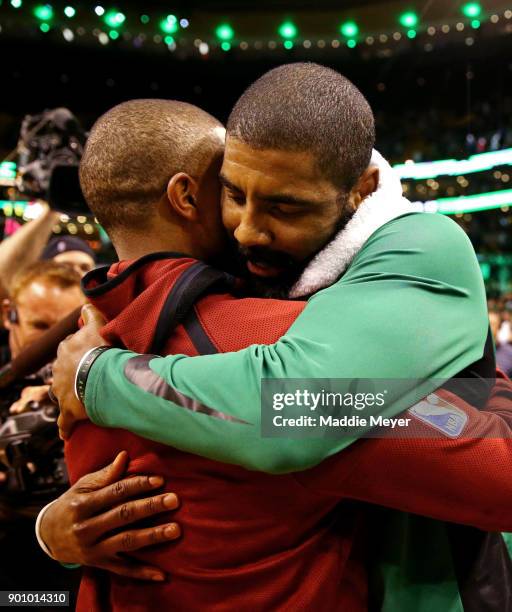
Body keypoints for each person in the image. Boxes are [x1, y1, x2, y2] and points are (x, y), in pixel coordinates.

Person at [49, 67, 511, 609]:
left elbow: (302, 405)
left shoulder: (417, 246)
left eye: (284, 206)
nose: (248, 229)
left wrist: (95, 375)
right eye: (234, 193)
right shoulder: (222, 319)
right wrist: (55, 530)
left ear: (363, 188)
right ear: (192, 192)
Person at [0, 260, 85, 599]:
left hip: (70, 584)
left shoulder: (96, 387)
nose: (54, 346)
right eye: (41, 327)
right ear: (10, 314)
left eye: (68, 331)